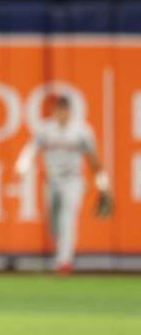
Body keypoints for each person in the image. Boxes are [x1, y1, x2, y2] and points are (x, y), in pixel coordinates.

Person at [14, 95, 113, 275]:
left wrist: (102, 183)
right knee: (53, 220)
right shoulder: (46, 129)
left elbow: (94, 159)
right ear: (54, 112)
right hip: (52, 181)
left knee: (67, 218)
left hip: (73, 181)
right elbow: (32, 148)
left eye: (65, 110)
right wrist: (22, 165)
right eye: (59, 110)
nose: (62, 114)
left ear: (70, 111)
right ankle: (61, 253)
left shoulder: (82, 131)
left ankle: (64, 262)